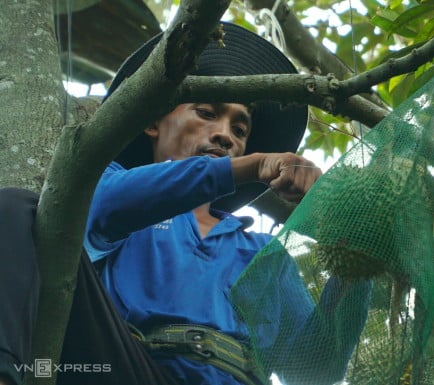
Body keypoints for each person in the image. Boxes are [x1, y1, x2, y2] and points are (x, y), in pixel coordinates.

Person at [0, 22, 369, 385]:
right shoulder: (111, 186)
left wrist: (355, 266)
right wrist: (254, 165)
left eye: (240, 131)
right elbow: (109, 203)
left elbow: (315, 368)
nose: (225, 135)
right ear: (152, 124)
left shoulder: (261, 253)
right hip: (124, 365)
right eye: (207, 114)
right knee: (19, 208)